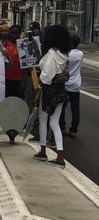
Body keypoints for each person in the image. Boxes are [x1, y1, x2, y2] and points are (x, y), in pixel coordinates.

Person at [34, 25, 71, 167]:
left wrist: (41, 76)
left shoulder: (51, 53)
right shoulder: (64, 54)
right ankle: (50, 152)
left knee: (46, 121)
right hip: (61, 91)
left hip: (49, 91)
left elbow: (46, 77)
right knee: (54, 121)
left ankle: (56, 155)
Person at [59, 35, 83, 138]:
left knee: (62, 107)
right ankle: (73, 130)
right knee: (75, 108)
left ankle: (62, 127)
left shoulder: (66, 54)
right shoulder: (81, 54)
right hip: (76, 84)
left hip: (65, 83)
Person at [3, 25, 24, 98]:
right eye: (12, 33)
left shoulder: (23, 45)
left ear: (19, 34)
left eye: (16, 33)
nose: (13, 35)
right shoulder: (5, 44)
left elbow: (26, 66)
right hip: (5, 79)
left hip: (18, 80)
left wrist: (23, 82)